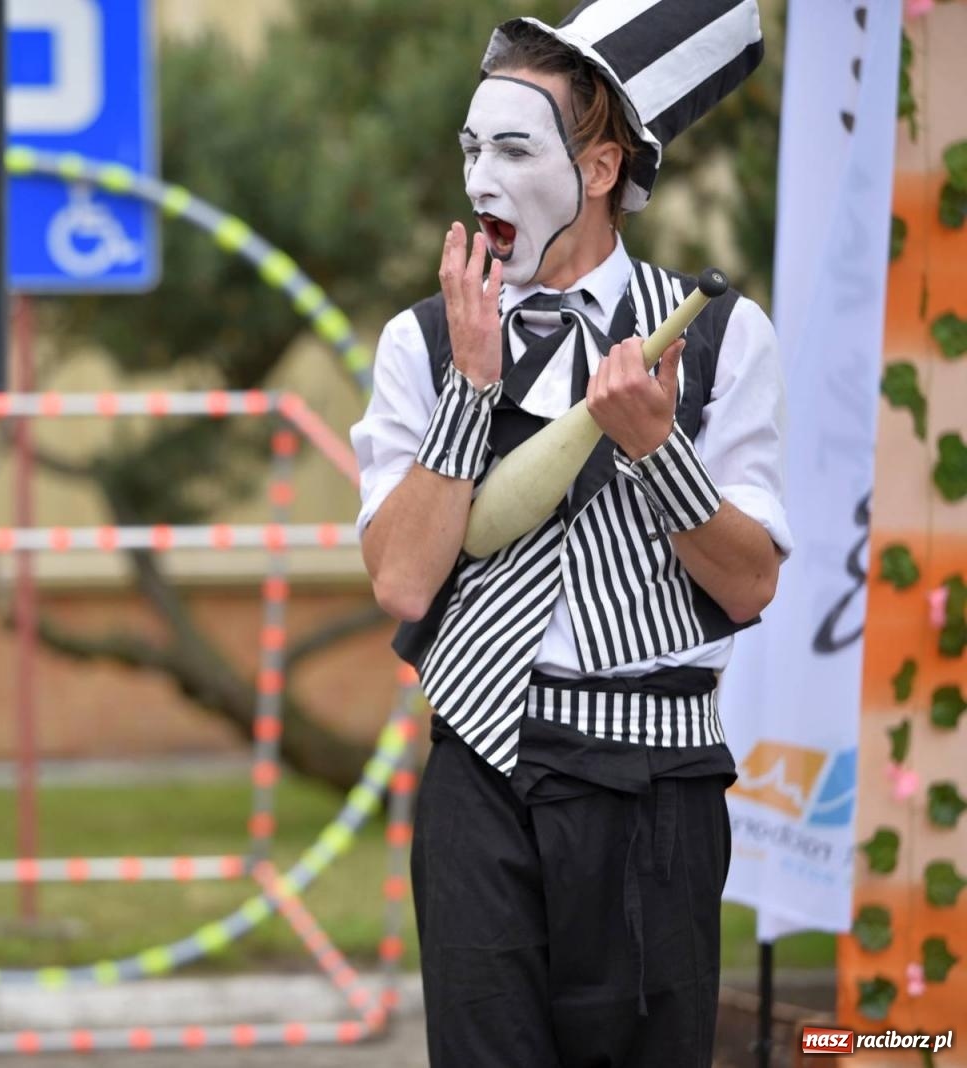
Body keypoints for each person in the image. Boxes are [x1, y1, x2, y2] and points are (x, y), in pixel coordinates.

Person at [350, 4, 790, 1065]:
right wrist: (470, 385)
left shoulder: (720, 333)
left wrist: (656, 449)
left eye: (512, 147)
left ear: (597, 170)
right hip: (480, 784)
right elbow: (405, 583)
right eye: (470, 149)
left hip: (652, 789)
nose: (479, 179)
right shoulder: (420, 341)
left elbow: (748, 589)